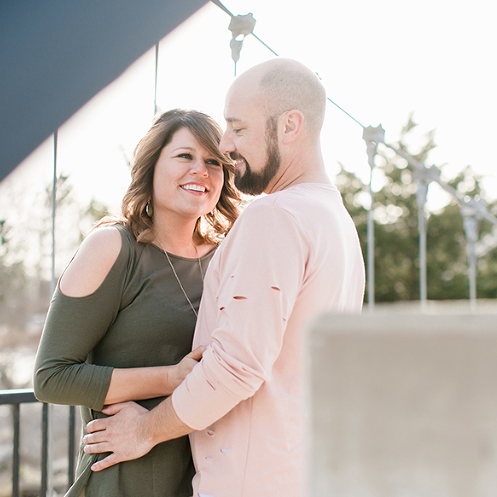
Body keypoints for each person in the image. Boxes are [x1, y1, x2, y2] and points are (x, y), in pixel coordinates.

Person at [82, 58, 366, 497]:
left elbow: (235, 368)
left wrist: (145, 430)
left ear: (290, 125)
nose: (227, 145)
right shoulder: (337, 222)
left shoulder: (275, 216)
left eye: (238, 128)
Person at [33, 109, 241, 497]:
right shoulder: (113, 247)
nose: (202, 170)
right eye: (185, 156)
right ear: (151, 166)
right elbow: (51, 378)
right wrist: (171, 377)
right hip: (125, 481)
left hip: (210, 482)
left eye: (214, 162)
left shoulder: (229, 258)